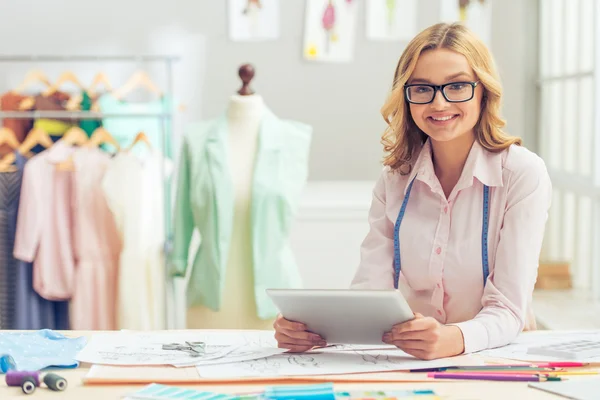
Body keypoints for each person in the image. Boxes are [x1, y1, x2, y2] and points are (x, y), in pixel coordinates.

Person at [273, 22, 552, 360]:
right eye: (422, 89)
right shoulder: (394, 179)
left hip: (497, 358)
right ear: (406, 96)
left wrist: (453, 339)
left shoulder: (521, 174)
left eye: (457, 86)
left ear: (484, 91)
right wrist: (313, 330)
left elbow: (509, 309)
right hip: (411, 362)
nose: (439, 103)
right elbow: (371, 293)